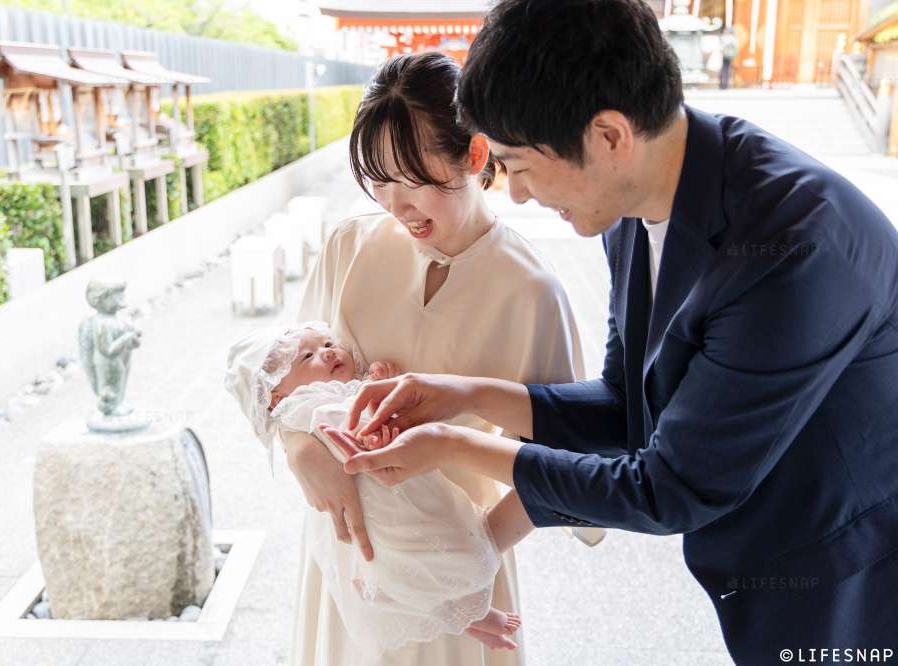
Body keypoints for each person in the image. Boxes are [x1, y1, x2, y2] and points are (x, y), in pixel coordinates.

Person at [322, 1, 898, 663]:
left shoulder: (794, 247)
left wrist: (454, 445)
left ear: (608, 136)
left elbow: (668, 486)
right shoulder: (628, 206)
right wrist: (463, 396)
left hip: (857, 577)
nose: (516, 195)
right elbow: (630, 408)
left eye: (521, 164)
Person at [280, 52, 587, 665]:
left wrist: (463, 564)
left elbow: (567, 465)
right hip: (349, 566)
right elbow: (280, 378)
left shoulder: (530, 291)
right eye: (379, 182)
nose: (396, 205)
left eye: (413, 179)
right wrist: (299, 447)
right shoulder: (350, 246)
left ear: (476, 157)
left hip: (458, 579)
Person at [225, 322, 534, 660]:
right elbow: (346, 427)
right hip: (380, 502)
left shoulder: (334, 392)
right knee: (442, 552)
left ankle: (460, 614)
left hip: (402, 487)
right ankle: (470, 614)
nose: (328, 351)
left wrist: (378, 384)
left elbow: (363, 410)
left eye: (328, 342)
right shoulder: (304, 405)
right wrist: (374, 420)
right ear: (277, 396)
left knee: (437, 548)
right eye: (308, 356)